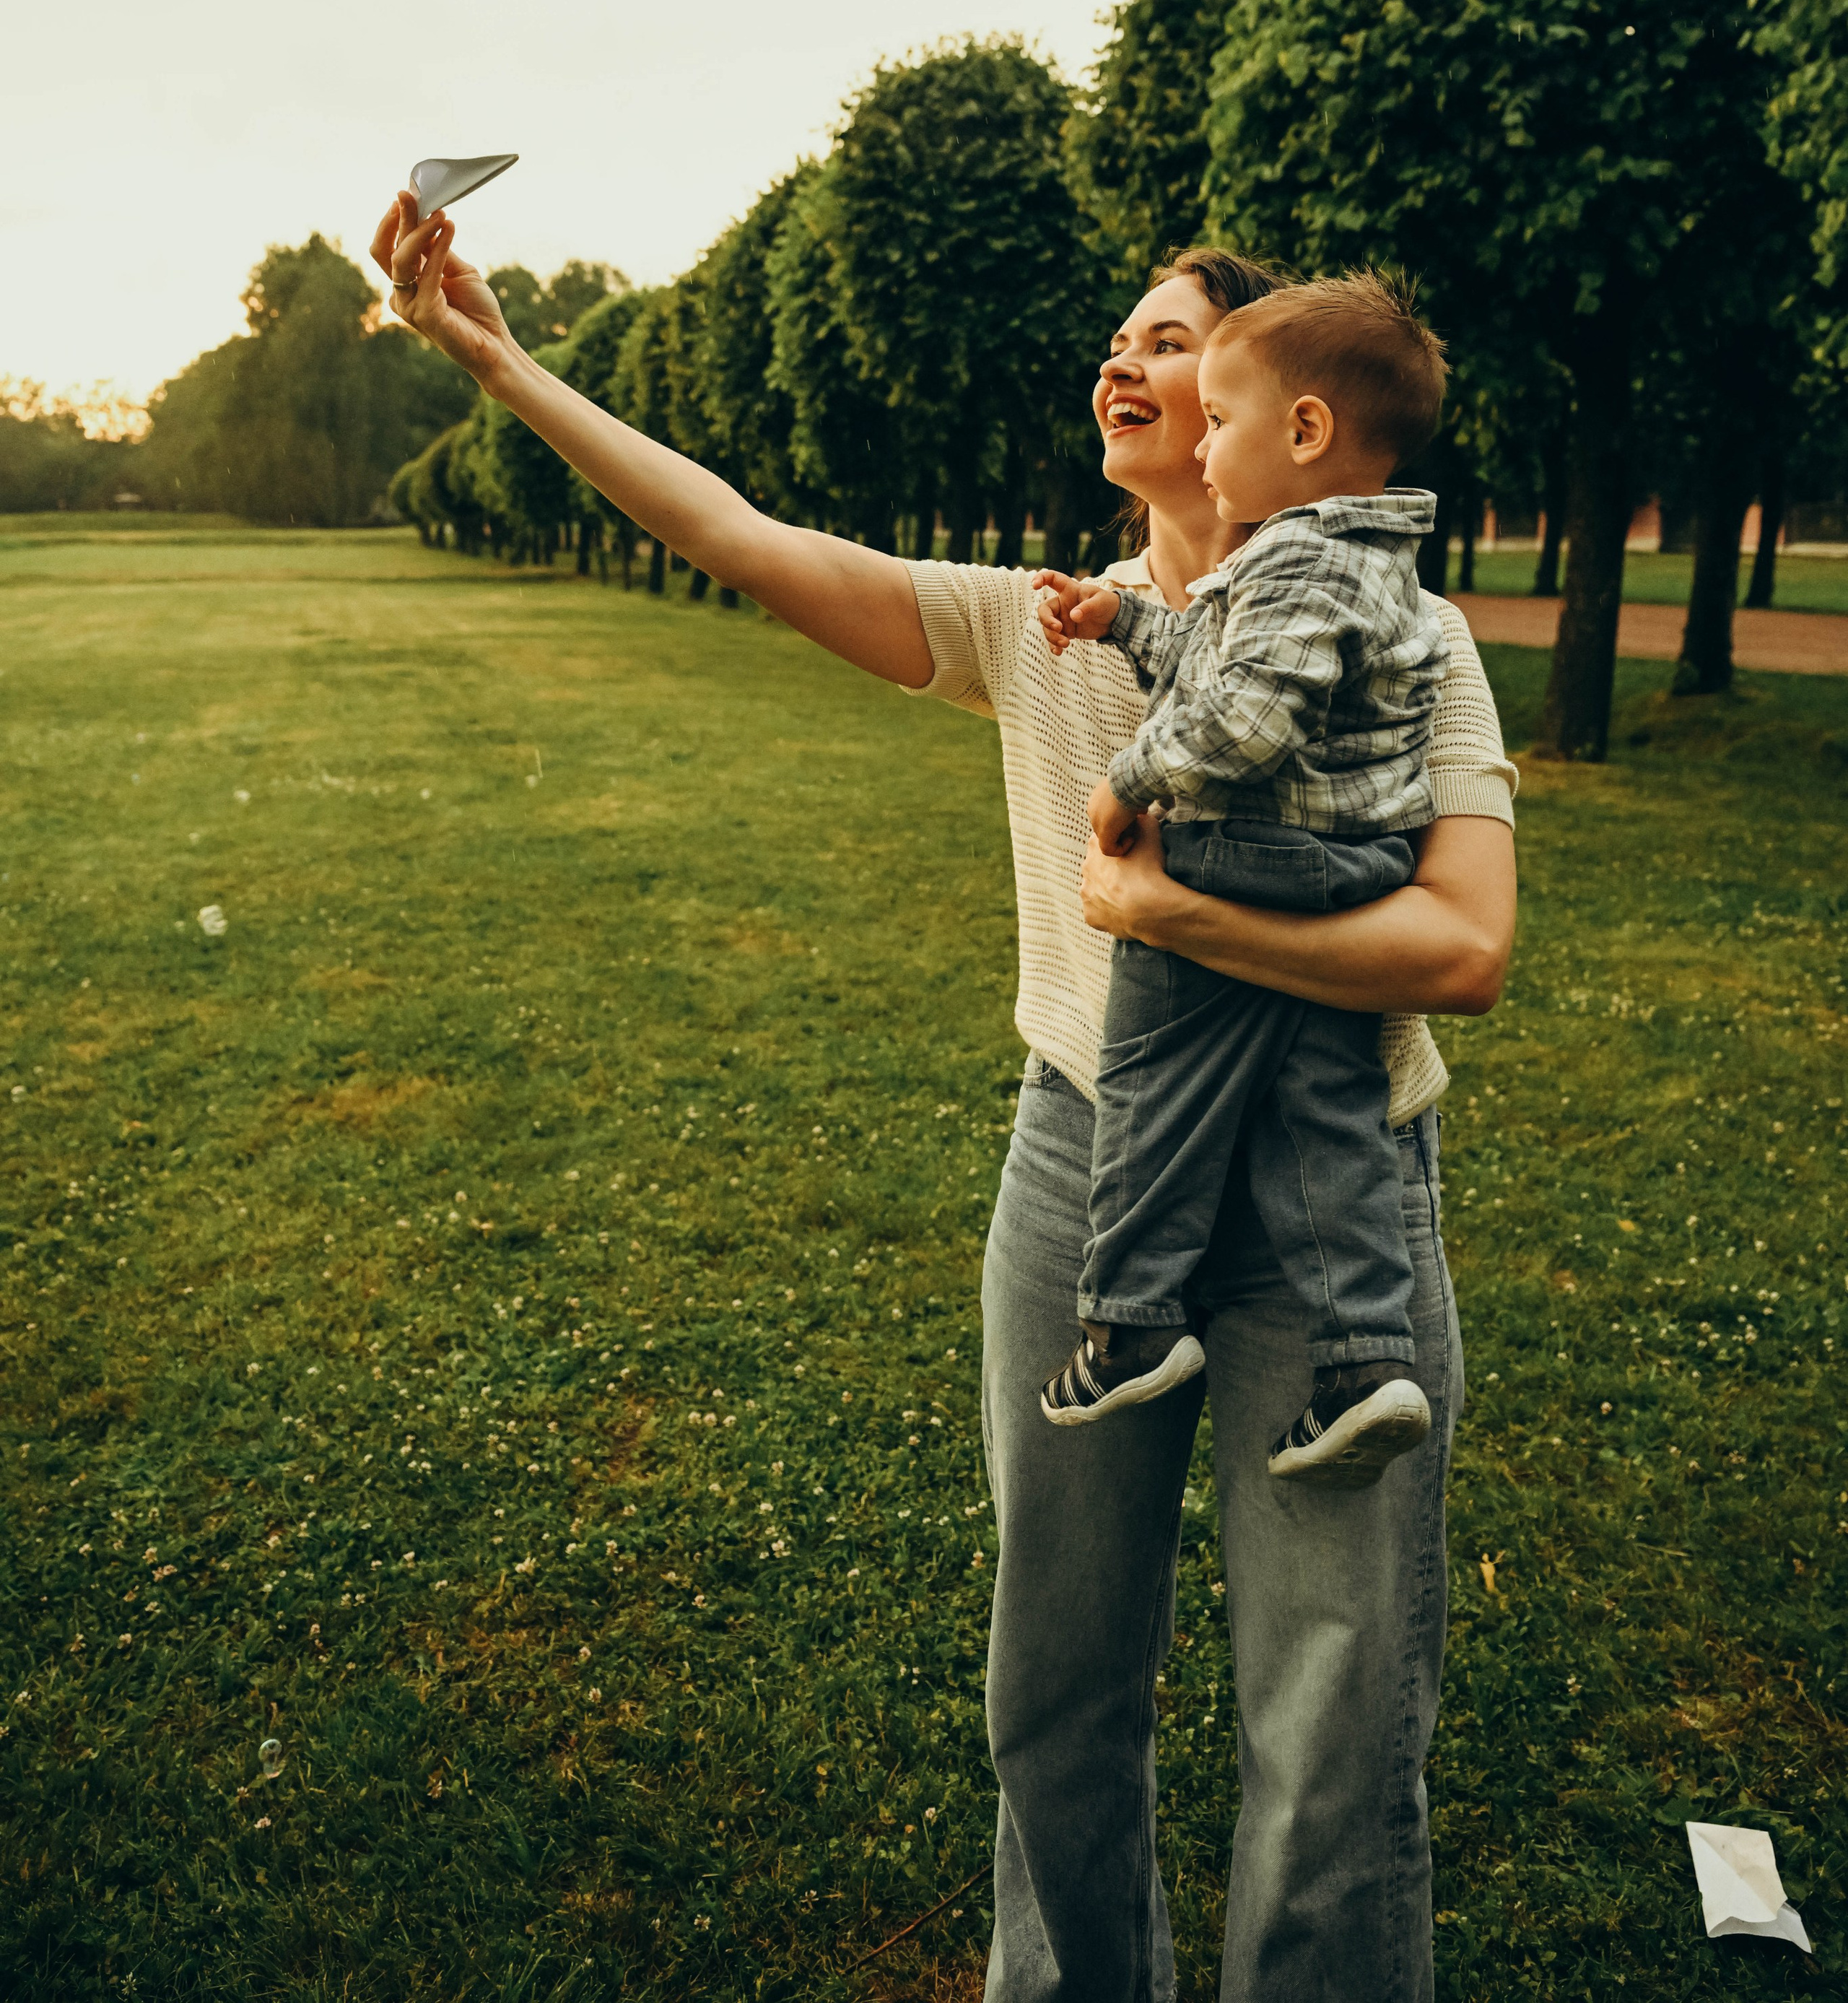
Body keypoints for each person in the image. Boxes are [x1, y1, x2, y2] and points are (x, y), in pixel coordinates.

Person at [372, 196, 1517, 2003]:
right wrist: (498, 362)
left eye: (1163, 340)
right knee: (1054, 1688)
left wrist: (1169, 908)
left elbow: (1459, 946)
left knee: (1331, 1720)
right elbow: (734, 532)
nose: (1120, 364)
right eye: (1117, 342)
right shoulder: (1035, 628)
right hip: (1084, 1164)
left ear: (1258, 393)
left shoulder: (1402, 631)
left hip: (1334, 1201)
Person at [1029, 274, 1452, 1487]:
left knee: (1150, 1072)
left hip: (1261, 854)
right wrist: (1120, 618)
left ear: (1305, 433)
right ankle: (1368, 1359)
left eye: (1219, 418)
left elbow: (1245, 721)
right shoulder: (1364, 562)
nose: (1206, 444)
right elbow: (1222, 655)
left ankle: (1131, 1320)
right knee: (1327, 1106)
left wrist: (1130, 780)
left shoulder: (1299, 562)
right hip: (1354, 876)